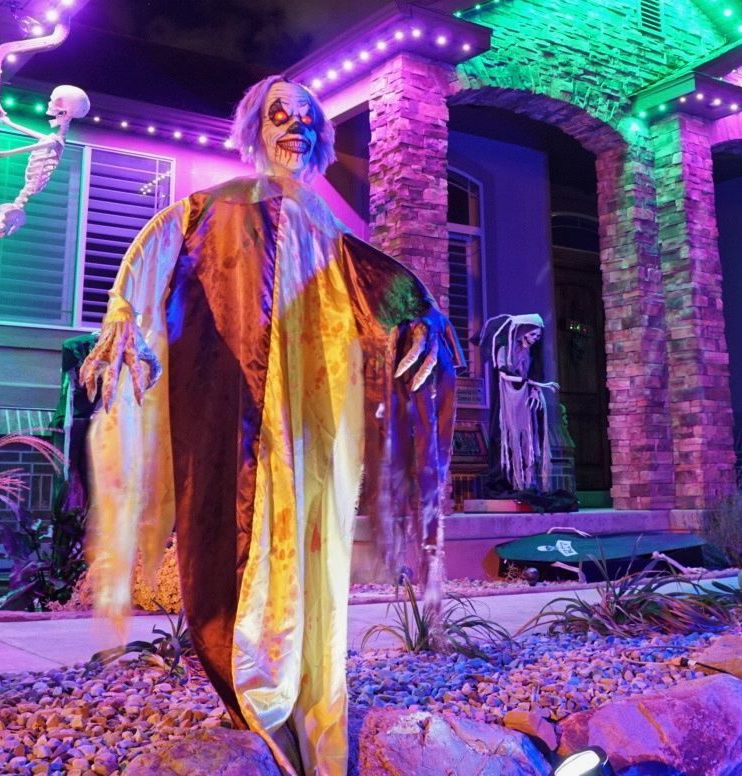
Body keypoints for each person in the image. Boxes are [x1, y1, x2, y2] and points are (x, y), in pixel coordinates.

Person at [79, 76, 461, 775]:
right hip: (236, 424)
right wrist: (123, 322)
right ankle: (256, 703)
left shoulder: (327, 227)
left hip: (309, 439)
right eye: (280, 115)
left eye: (309, 119)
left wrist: (421, 320)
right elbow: (148, 258)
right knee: (230, 546)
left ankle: (306, 719)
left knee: (310, 574)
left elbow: (387, 292)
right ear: (256, 127)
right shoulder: (210, 210)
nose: (296, 127)